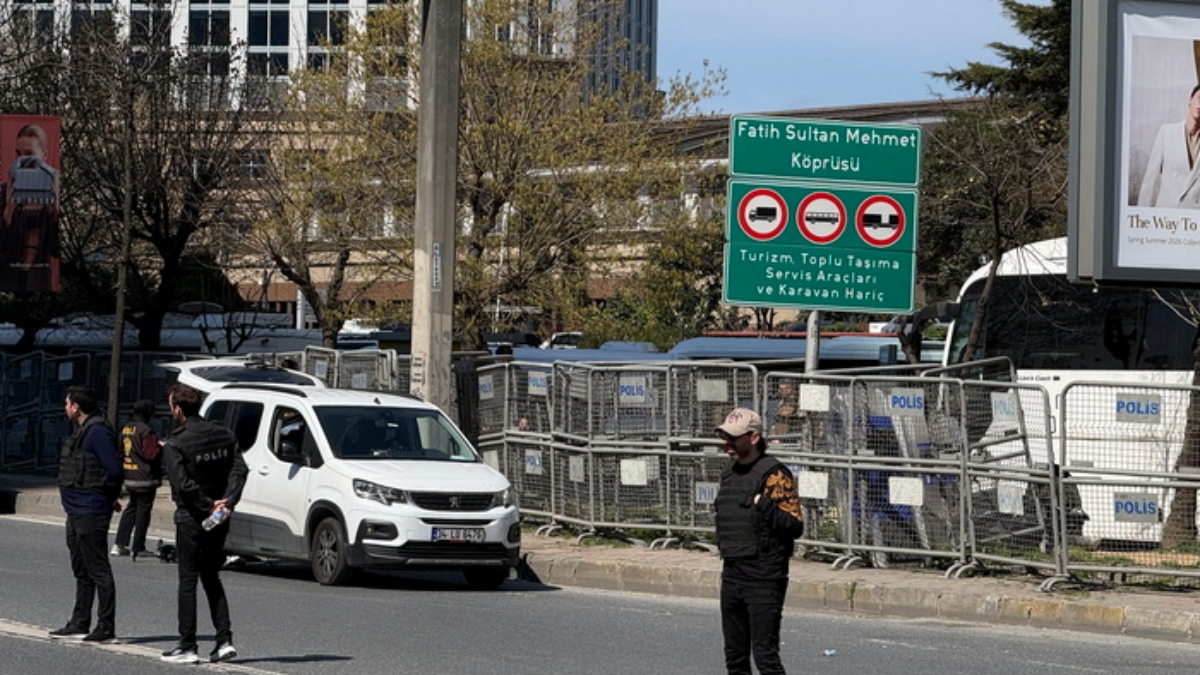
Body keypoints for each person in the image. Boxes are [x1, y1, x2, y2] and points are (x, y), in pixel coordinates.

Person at [159, 383, 248, 664]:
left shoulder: (175, 443)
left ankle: (187, 645)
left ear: (177, 409)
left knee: (187, 581)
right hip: (220, 518)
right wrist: (227, 502)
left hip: (192, 517)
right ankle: (224, 641)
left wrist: (208, 503)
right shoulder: (224, 433)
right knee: (212, 576)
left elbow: (183, 485)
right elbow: (240, 469)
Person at [713, 407, 804, 675]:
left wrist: (764, 504)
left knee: (765, 657)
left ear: (753, 438)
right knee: (735, 658)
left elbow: (794, 525)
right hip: (732, 572)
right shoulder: (728, 474)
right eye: (725, 437)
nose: (727, 443)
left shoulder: (775, 475)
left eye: (733, 437)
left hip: (764, 575)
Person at [49, 385, 123, 644]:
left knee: (98, 570)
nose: (65, 407)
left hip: (91, 510)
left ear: (76, 406)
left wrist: (107, 496)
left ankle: (106, 626)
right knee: (81, 569)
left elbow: (114, 470)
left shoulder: (98, 432)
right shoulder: (83, 432)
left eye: (66, 403)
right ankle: (80, 621)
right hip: (75, 511)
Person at [112, 399, 162, 560]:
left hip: (129, 475)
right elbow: (151, 454)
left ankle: (120, 543)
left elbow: (119, 450)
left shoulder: (126, 428)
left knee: (131, 508)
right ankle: (138, 546)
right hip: (145, 478)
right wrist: (161, 447)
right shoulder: (146, 431)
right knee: (143, 511)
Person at [1137, 83, 1200, 207]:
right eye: (1199, 98)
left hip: (1194, 221)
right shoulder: (1166, 133)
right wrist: (1142, 216)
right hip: (1166, 218)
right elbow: (1150, 180)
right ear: (1190, 100)